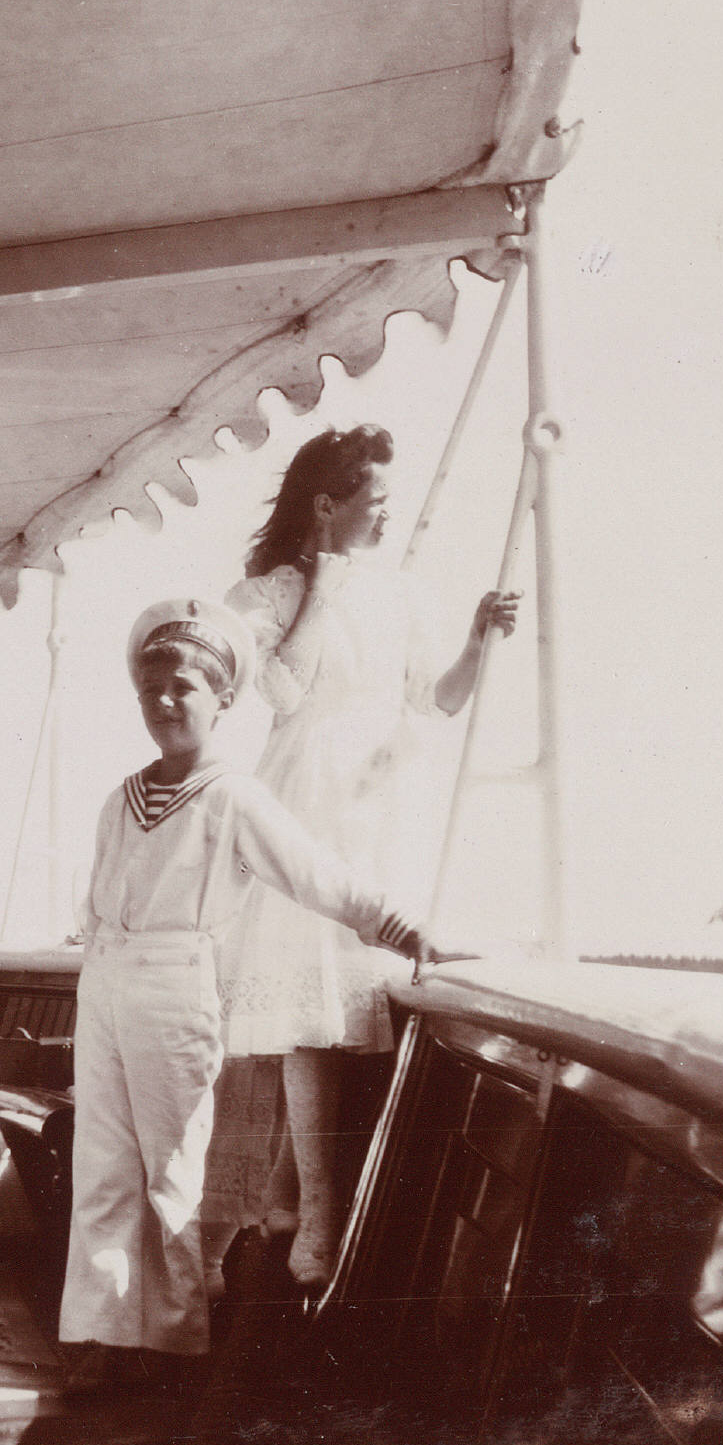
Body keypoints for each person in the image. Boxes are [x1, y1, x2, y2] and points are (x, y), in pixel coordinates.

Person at [58, 597, 445, 1396]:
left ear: (224, 699)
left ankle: (170, 1342)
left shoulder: (234, 795)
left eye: (185, 687)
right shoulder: (119, 798)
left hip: (176, 985)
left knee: (169, 1169)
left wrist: (399, 926)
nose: (165, 701)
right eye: (151, 687)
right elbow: (94, 903)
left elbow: (313, 874)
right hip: (106, 982)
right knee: (102, 1168)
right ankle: (102, 1333)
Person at [209, 423, 518, 1292]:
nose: (387, 515)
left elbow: (436, 703)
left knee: (345, 1009)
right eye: (374, 500)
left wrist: (476, 641)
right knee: (310, 1014)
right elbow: (283, 689)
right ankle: (319, 1215)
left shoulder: (403, 594)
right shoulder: (270, 592)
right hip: (307, 803)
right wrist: (321, 583)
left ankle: (284, 1204)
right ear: (326, 505)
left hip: (378, 807)